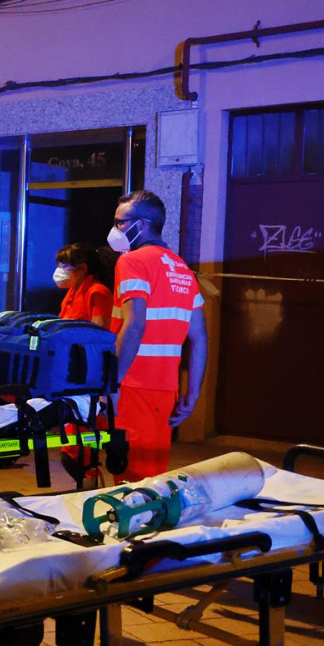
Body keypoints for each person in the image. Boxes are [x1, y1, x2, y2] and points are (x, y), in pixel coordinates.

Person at [108, 191, 207, 482]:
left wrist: (112, 382)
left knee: (131, 479)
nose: (115, 230)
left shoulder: (132, 261)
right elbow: (200, 337)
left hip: (132, 384)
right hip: (165, 387)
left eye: (120, 222)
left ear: (142, 224)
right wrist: (193, 392)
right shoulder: (182, 269)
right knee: (152, 474)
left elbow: (134, 324)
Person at [55, 243, 113, 327]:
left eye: (65, 266)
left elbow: (99, 333)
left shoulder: (97, 292)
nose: (60, 271)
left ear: (82, 268)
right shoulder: (72, 291)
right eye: (59, 266)